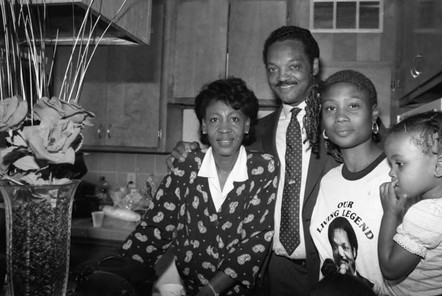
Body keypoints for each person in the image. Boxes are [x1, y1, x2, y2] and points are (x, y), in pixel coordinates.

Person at [167, 26, 338, 296]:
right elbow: (222, 145)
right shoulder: (258, 131)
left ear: (314, 66)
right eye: (273, 69)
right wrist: (187, 150)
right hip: (271, 271)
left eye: (293, 66)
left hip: (330, 271)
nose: (282, 77)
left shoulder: (341, 123)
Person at [120, 77, 279, 296]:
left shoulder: (263, 169)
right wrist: (118, 273)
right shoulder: (186, 167)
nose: (224, 129)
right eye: (215, 119)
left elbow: (255, 242)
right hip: (193, 288)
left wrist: (210, 291)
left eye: (234, 119)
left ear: (247, 124)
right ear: (204, 125)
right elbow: (154, 229)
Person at [378, 111, 442, 295]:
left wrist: (390, 214)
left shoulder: (427, 215)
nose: (391, 173)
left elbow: (390, 269)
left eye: (399, 164)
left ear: (439, 166)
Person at [309, 69, 389, 295]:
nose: (340, 116)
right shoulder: (329, 181)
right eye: (330, 108)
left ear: (373, 114)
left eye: (353, 106)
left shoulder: (397, 175)